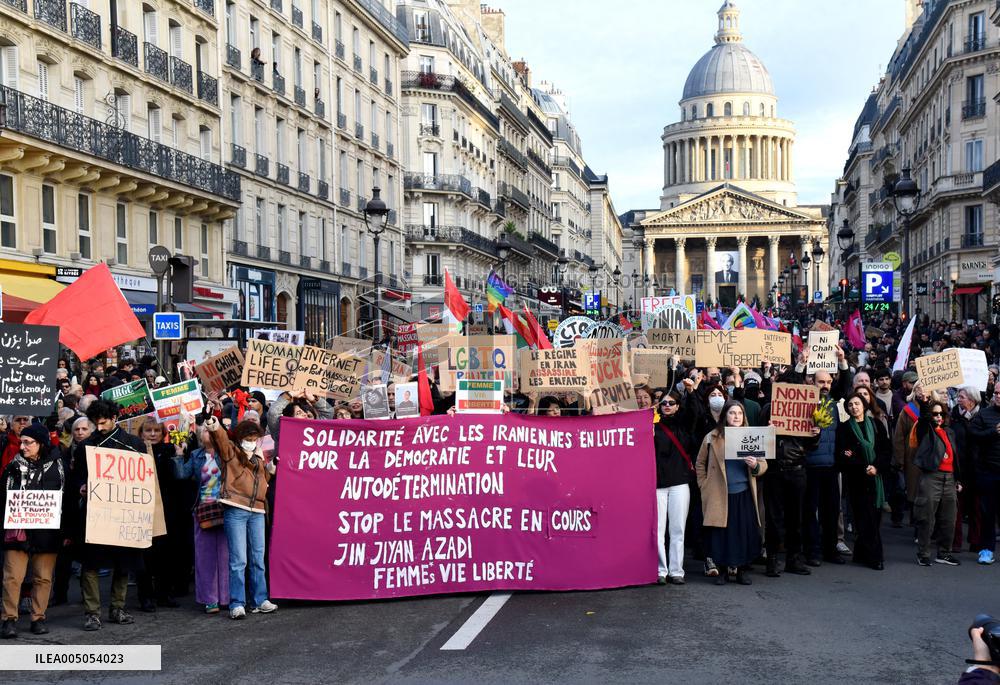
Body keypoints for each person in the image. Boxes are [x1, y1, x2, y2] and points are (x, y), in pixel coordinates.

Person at [70, 399, 148, 631]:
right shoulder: (87, 446)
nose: (99, 427)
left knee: (123, 563)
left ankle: (117, 608)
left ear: (114, 418)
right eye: (96, 423)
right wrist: (81, 486)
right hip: (96, 515)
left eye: (103, 423)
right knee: (91, 564)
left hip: (125, 515)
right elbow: (77, 477)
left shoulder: (134, 445)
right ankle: (93, 612)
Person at [203, 415, 278, 619]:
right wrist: (214, 424)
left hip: (258, 511)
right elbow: (221, 439)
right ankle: (237, 603)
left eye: (255, 438)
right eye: (248, 438)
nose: (252, 441)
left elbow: (263, 481)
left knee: (258, 559)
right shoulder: (231, 453)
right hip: (236, 508)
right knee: (239, 560)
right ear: (239, 438)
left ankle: (260, 600)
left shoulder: (259, 458)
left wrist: (270, 469)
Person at [0, 423, 67, 638]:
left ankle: (38, 617)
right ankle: (8, 619)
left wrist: (66, 532)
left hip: (47, 532)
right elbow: (3, 496)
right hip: (18, 530)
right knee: (12, 577)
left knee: (43, 578)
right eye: (22, 442)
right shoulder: (13, 466)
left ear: (41, 444)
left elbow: (65, 497)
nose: (23, 447)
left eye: (28, 442)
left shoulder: (58, 466)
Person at [696, 399, 767, 586]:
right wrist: (704, 484)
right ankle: (722, 571)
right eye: (732, 413)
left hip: (743, 492)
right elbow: (700, 463)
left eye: (739, 413)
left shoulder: (752, 435)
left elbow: (764, 464)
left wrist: (755, 466)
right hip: (720, 493)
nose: (736, 416)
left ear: (743, 416)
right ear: (725, 415)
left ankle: (741, 570)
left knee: (743, 532)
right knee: (721, 533)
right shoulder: (712, 437)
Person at [762, 372, 821, 577]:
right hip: (774, 470)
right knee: (773, 517)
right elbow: (759, 440)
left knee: (796, 518)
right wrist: (767, 430)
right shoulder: (769, 410)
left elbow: (812, 446)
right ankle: (772, 559)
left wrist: (816, 434)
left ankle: (793, 559)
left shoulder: (809, 411)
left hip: (797, 470)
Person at [174, 424, 229, 614]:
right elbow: (181, 474)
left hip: (226, 508)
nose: (208, 432)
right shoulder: (196, 455)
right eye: (204, 429)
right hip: (203, 509)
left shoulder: (227, 451)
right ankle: (210, 599)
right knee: (204, 558)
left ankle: (227, 598)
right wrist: (180, 455)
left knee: (226, 556)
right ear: (199, 436)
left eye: (212, 429)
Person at [836, 392, 891, 570]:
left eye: (857, 404)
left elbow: (885, 450)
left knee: (873, 518)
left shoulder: (876, 425)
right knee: (864, 518)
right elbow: (844, 455)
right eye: (850, 405)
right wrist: (861, 465)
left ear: (864, 405)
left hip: (876, 479)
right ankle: (875, 557)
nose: (854, 407)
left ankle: (861, 553)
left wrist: (876, 467)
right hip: (857, 480)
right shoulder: (845, 428)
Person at [134, 417, 183, 612]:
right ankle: (145, 597)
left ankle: (164, 594)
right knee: (144, 557)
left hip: (166, 510)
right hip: (141, 511)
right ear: (141, 433)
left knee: (166, 555)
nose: (153, 434)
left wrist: (179, 456)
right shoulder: (133, 453)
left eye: (156, 431)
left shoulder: (170, 451)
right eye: (148, 431)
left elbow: (177, 479)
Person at [653, 391, 696, 585]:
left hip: (680, 482)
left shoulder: (684, 424)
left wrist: (692, 390)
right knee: (659, 528)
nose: (667, 405)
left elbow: (696, 412)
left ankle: (676, 571)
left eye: (672, 403)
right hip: (658, 484)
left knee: (678, 528)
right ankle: (660, 570)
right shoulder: (651, 425)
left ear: (678, 406)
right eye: (664, 403)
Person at [913, 399, 961, 567]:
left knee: (949, 518)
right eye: (935, 414)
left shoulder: (949, 432)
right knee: (927, 517)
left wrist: (957, 479)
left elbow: (955, 457)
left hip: (949, 478)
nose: (938, 416)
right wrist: (924, 403)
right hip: (931, 476)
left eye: (941, 413)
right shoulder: (925, 430)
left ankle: (944, 553)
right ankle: (923, 554)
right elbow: (924, 419)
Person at [969, 387, 1000, 565]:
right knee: (987, 514)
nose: (997, 396)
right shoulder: (984, 415)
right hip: (988, 472)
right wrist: (993, 432)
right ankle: (986, 549)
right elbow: (972, 435)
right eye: (996, 393)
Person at [952, 386, 983, 552]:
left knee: (976, 508)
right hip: (959, 469)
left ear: (971, 400)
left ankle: (976, 540)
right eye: (958, 396)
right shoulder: (953, 416)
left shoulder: (983, 416)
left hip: (978, 470)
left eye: (962, 397)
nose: (958, 399)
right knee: (957, 507)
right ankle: (955, 542)